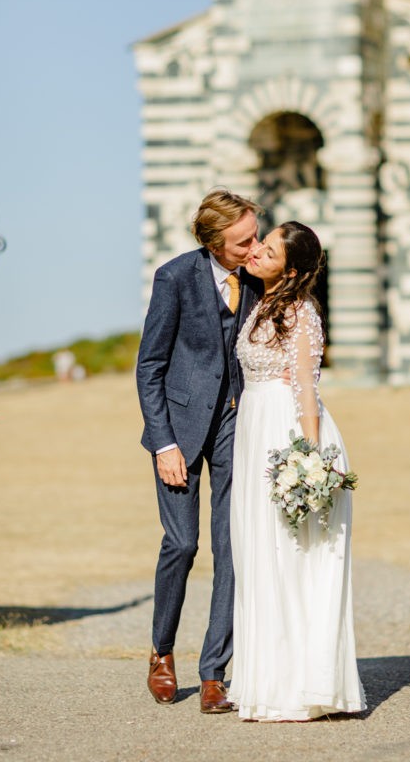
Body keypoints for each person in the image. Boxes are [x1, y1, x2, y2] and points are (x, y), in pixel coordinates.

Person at [228, 221, 366, 721]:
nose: (257, 253)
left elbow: (306, 386)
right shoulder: (259, 302)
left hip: (286, 433)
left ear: (291, 268)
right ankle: (265, 680)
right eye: (259, 246)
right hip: (253, 432)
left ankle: (301, 686)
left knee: (291, 554)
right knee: (260, 553)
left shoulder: (300, 311)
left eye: (267, 250)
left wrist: (308, 457)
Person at [136, 189, 263, 714]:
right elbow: (150, 366)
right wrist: (163, 442)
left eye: (256, 234)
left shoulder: (258, 276)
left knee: (232, 545)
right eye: (242, 241)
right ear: (213, 243)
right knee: (183, 545)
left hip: (237, 423)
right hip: (180, 428)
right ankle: (161, 652)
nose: (252, 247)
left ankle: (214, 673)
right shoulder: (174, 278)